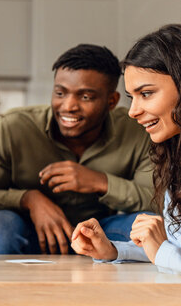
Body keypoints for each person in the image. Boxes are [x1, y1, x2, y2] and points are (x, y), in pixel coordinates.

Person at [0, 44, 154, 255]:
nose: (68, 106)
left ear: (111, 101)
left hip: (102, 234)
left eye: (85, 97)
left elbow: (155, 201)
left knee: (150, 226)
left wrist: (99, 182)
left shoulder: (137, 130)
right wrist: (29, 200)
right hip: (30, 232)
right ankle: (10, 289)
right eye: (60, 93)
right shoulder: (14, 127)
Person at [72, 24, 181, 273]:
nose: (133, 112)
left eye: (147, 93)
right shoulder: (174, 159)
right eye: (133, 97)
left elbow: (166, 251)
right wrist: (113, 250)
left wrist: (161, 248)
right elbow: (172, 249)